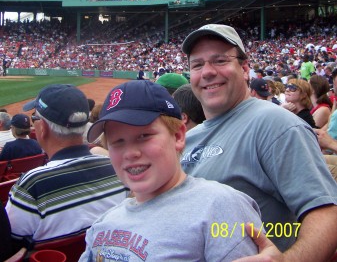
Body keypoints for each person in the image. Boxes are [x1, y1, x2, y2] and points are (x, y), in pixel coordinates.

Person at [180, 23, 337, 260]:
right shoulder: (189, 137)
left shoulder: (275, 124)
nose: (207, 71)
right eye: (197, 64)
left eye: (220, 61)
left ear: (244, 69)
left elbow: (327, 214)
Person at [80, 80, 263, 261]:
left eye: (144, 136)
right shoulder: (103, 223)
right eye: (117, 142)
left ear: (178, 136)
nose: (130, 153)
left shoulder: (219, 206)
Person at [6, 84, 128, 247]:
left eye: (34, 118)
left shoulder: (32, 184)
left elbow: (10, 246)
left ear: (42, 128)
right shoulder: (118, 168)